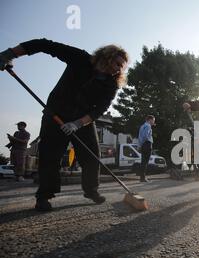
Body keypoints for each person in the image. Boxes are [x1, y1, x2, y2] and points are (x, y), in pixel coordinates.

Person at [0, 39, 129, 211]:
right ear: (107, 56)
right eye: (117, 63)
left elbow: (100, 110)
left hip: (82, 120)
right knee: (49, 156)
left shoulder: (111, 84)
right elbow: (45, 45)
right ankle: (44, 197)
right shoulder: (80, 58)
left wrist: (77, 123)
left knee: (92, 156)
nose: (119, 68)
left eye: (122, 66)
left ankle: (91, 190)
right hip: (55, 115)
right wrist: (9, 54)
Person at [138, 115, 155, 183]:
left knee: (143, 162)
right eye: (153, 120)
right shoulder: (148, 126)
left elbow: (140, 137)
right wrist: (147, 141)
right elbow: (145, 136)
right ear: (150, 120)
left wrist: (140, 145)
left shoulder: (142, 126)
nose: (153, 122)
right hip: (147, 144)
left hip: (143, 145)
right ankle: (143, 178)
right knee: (145, 162)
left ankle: (142, 177)